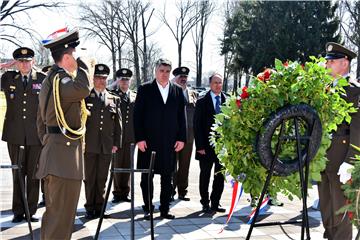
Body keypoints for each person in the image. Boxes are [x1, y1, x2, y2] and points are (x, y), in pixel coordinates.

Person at [36, 28, 93, 239]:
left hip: (57, 156)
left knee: (55, 218)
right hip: (63, 161)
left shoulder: (51, 80)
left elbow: (39, 122)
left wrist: (50, 141)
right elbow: (84, 88)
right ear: (67, 57)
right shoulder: (61, 81)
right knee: (60, 220)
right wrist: (84, 65)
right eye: (75, 56)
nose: (77, 60)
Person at [134, 58, 186, 220]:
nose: (164, 74)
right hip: (148, 142)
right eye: (161, 71)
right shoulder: (145, 89)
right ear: (155, 71)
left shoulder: (177, 90)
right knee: (146, 176)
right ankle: (148, 208)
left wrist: (181, 138)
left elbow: (181, 117)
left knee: (167, 177)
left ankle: (164, 209)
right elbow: (137, 116)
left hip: (169, 142)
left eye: (167, 71)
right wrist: (140, 138)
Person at [318, 42, 359, 240]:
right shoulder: (324, 89)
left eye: (332, 62)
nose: (327, 65)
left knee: (342, 210)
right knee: (326, 206)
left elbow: (358, 129)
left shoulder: (355, 91)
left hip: (341, 159)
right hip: (323, 158)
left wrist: (350, 162)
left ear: (345, 63)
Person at [1, 47, 45, 223]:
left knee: (34, 173)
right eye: (20, 61)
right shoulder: (8, 78)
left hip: (36, 135)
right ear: (16, 62)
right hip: (15, 134)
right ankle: (18, 211)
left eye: (27, 61)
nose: (24, 64)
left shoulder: (42, 79)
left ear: (33, 61)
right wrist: (5, 65)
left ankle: (30, 211)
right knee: (17, 173)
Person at [83, 63, 121, 219]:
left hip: (106, 145)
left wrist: (116, 144)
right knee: (90, 177)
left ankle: (100, 207)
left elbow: (118, 125)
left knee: (102, 177)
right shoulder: (85, 97)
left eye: (104, 78)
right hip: (89, 144)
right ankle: (89, 206)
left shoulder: (114, 98)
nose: (101, 81)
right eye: (98, 78)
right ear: (93, 79)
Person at [194, 73, 226, 213]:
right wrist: (200, 146)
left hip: (223, 148)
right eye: (215, 82)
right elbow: (197, 126)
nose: (218, 85)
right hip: (206, 147)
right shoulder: (201, 102)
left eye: (220, 82)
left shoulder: (228, 101)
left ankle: (215, 202)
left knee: (220, 176)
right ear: (210, 84)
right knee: (205, 175)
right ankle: (205, 202)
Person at [171, 66, 197, 201]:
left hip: (188, 135)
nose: (183, 79)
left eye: (185, 77)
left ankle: (182, 191)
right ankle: (170, 191)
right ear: (175, 78)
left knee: (185, 164)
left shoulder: (192, 94)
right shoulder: (170, 93)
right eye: (180, 77)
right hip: (172, 135)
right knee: (171, 164)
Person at [111, 68, 136, 203]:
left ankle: (125, 192)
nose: (124, 82)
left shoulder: (134, 96)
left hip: (131, 137)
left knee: (128, 164)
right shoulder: (113, 95)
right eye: (122, 79)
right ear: (118, 80)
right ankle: (117, 192)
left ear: (130, 81)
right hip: (117, 137)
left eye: (127, 80)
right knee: (117, 164)